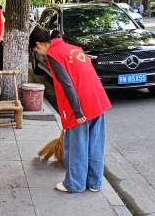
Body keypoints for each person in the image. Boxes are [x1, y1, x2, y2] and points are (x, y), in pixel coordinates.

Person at [29, 27, 112, 193]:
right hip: (97, 99)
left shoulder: (53, 54)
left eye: (37, 49)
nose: (39, 53)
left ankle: (75, 184)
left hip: (80, 103)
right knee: (95, 144)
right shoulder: (73, 48)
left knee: (77, 146)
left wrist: (77, 111)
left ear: (39, 44)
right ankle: (94, 183)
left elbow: (67, 83)